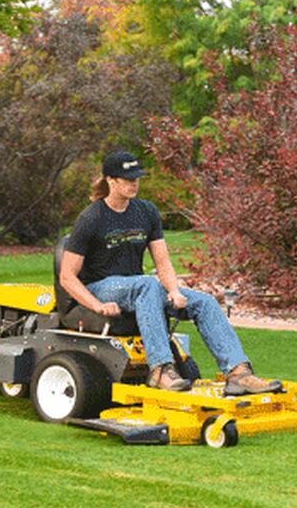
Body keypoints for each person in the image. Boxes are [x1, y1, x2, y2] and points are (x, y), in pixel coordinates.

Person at [59, 150, 282, 395]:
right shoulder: (91, 218)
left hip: (141, 289)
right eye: (128, 179)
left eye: (137, 178)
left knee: (204, 302)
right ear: (111, 181)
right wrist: (96, 305)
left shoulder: (146, 212)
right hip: (101, 287)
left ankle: (238, 373)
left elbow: (163, 262)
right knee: (147, 285)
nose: (135, 183)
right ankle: (160, 370)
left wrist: (174, 291)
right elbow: (67, 277)